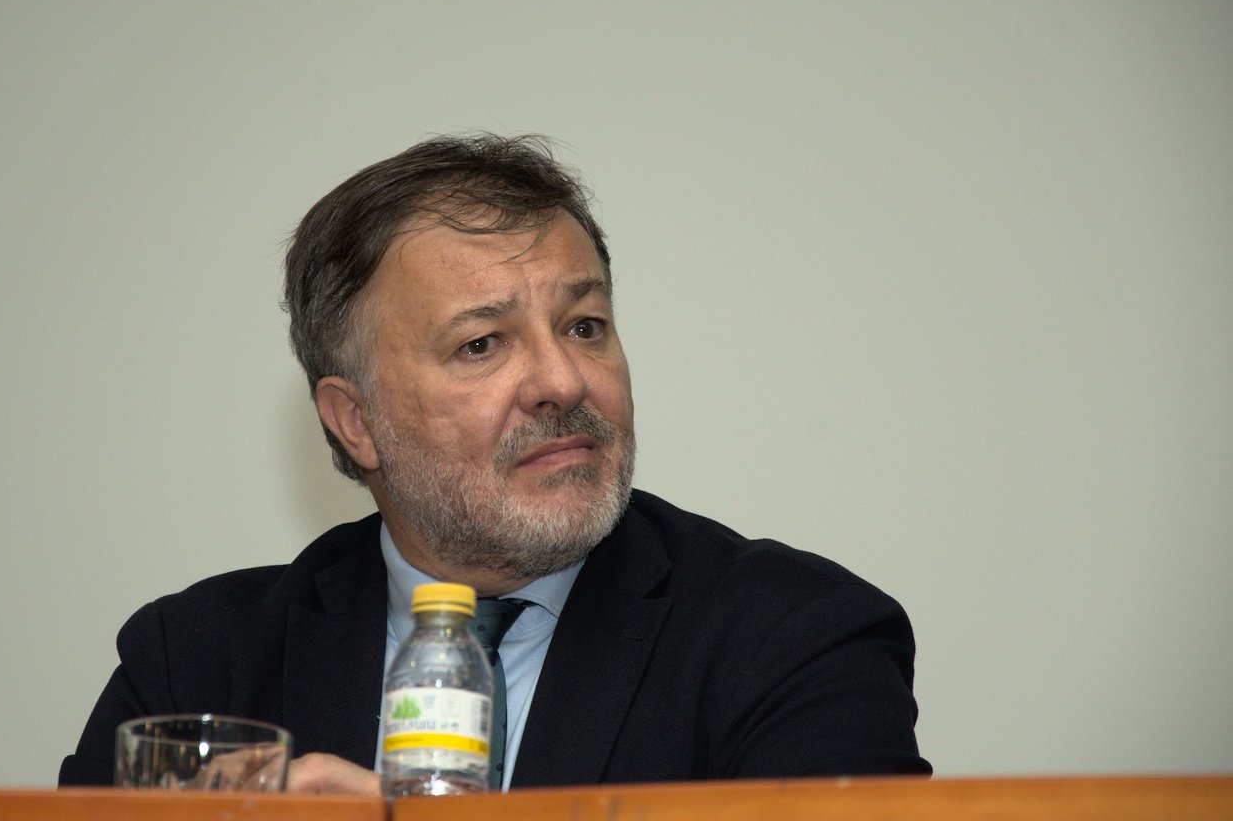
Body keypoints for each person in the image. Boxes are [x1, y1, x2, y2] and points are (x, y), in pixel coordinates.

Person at [59, 134, 930, 792]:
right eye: (481, 344)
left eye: (585, 326)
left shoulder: (793, 638)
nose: (562, 381)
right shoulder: (195, 666)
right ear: (356, 421)